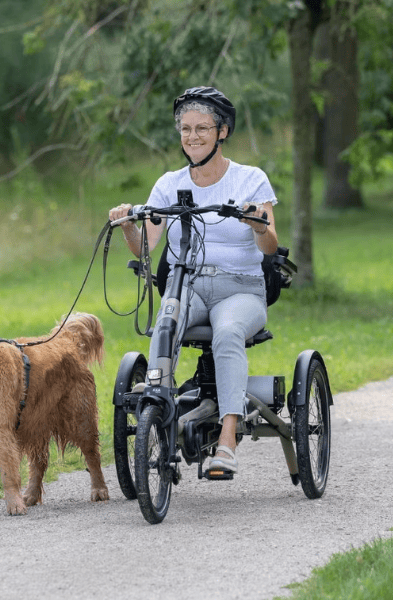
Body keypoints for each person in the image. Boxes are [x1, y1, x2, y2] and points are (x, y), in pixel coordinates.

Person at [109, 86, 278, 475]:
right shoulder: (168, 185)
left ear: (222, 132)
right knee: (166, 323)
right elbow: (147, 250)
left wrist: (257, 223)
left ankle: (227, 440)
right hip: (189, 285)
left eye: (202, 128)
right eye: (185, 128)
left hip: (241, 287)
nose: (192, 136)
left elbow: (270, 245)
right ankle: (160, 414)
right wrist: (127, 228)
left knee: (228, 333)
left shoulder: (250, 179)